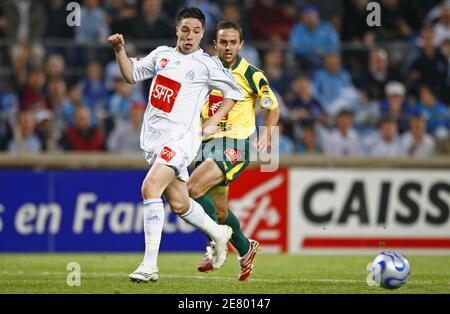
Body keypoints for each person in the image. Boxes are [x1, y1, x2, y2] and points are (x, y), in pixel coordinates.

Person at [108, 7, 243, 283]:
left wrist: (214, 120)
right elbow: (131, 75)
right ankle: (219, 233)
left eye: (196, 31)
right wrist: (120, 50)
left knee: (149, 187)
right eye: (185, 29)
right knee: (181, 204)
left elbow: (234, 93)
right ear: (177, 30)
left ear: (202, 34)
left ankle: (149, 265)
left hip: (181, 140)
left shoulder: (206, 64)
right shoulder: (161, 55)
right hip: (155, 141)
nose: (190, 35)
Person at [187, 21, 279, 281]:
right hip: (205, 145)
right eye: (223, 42)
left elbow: (273, 106)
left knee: (191, 190)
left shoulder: (251, 74)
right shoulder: (204, 70)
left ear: (241, 45)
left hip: (235, 145)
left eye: (232, 42)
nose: (228, 47)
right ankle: (244, 247)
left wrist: (268, 133)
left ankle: (216, 243)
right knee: (219, 213)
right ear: (215, 44)